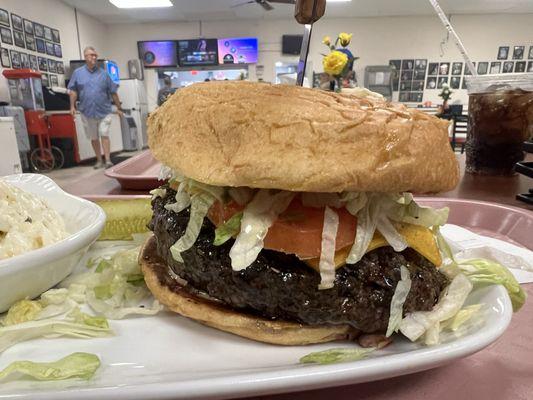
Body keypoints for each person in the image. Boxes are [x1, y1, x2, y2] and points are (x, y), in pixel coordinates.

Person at [68, 46, 123, 169]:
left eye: (95, 55)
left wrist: (119, 108)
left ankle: (108, 160)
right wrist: (72, 106)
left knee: (104, 133)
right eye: (91, 55)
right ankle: (99, 160)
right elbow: (73, 91)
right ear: (85, 57)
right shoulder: (78, 74)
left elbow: (113, 92)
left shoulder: (104, 75)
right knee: (93, 137)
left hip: (104, 110)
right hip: (87, 111)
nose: (94, 57)